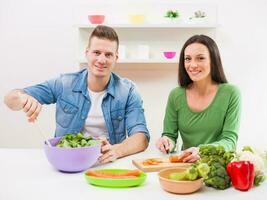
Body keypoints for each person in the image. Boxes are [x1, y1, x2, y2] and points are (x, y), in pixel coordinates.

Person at [4, 25, 150, 163]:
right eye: (96, 52)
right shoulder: (64, 83)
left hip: (108, 163)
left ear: (116, 58)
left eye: (108, 54)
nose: (101, 60)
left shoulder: (128, 90)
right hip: (68, 162)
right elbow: (9, 100)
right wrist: (22, 98)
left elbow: (141, 137)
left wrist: (118, 150)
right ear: (87, 53)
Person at [156, 35, 241, 162]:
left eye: (200, 58)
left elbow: (230, 141)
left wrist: (201, 151)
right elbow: (170, 135)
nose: (192, 65)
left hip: (218, 166)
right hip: (187, 165)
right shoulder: (176, 95)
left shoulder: (231, 93)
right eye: (187, 59)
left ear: (213, 60)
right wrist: (167, 142)